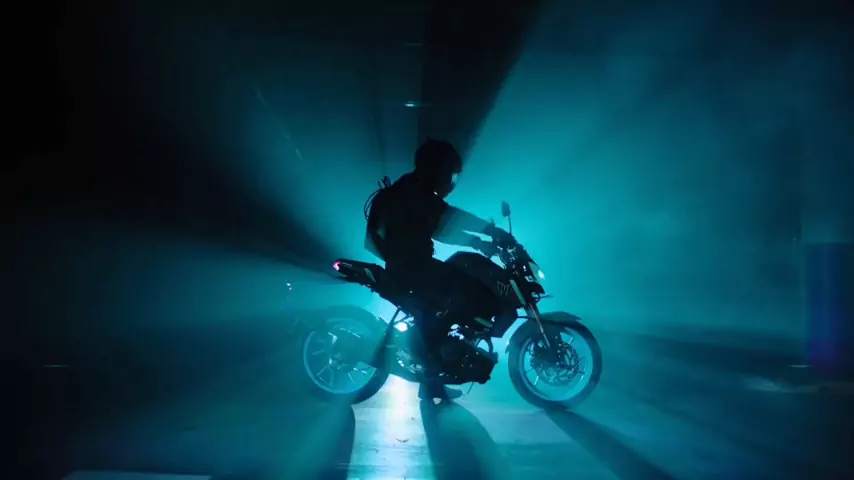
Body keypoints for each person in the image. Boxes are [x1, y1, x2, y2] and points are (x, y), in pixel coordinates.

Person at [364, 138, 514, 400]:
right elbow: (451, 219)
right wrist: (491, 232)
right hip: (412, 267)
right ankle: (433, 370)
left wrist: (479, 242)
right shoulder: (416, 191)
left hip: (409, 265)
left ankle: (434, 372)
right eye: (450, 174)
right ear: (437, 169)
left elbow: (441, 227)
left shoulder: (411, 190)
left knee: (449, 298)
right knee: (463, 293)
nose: (452, 182)